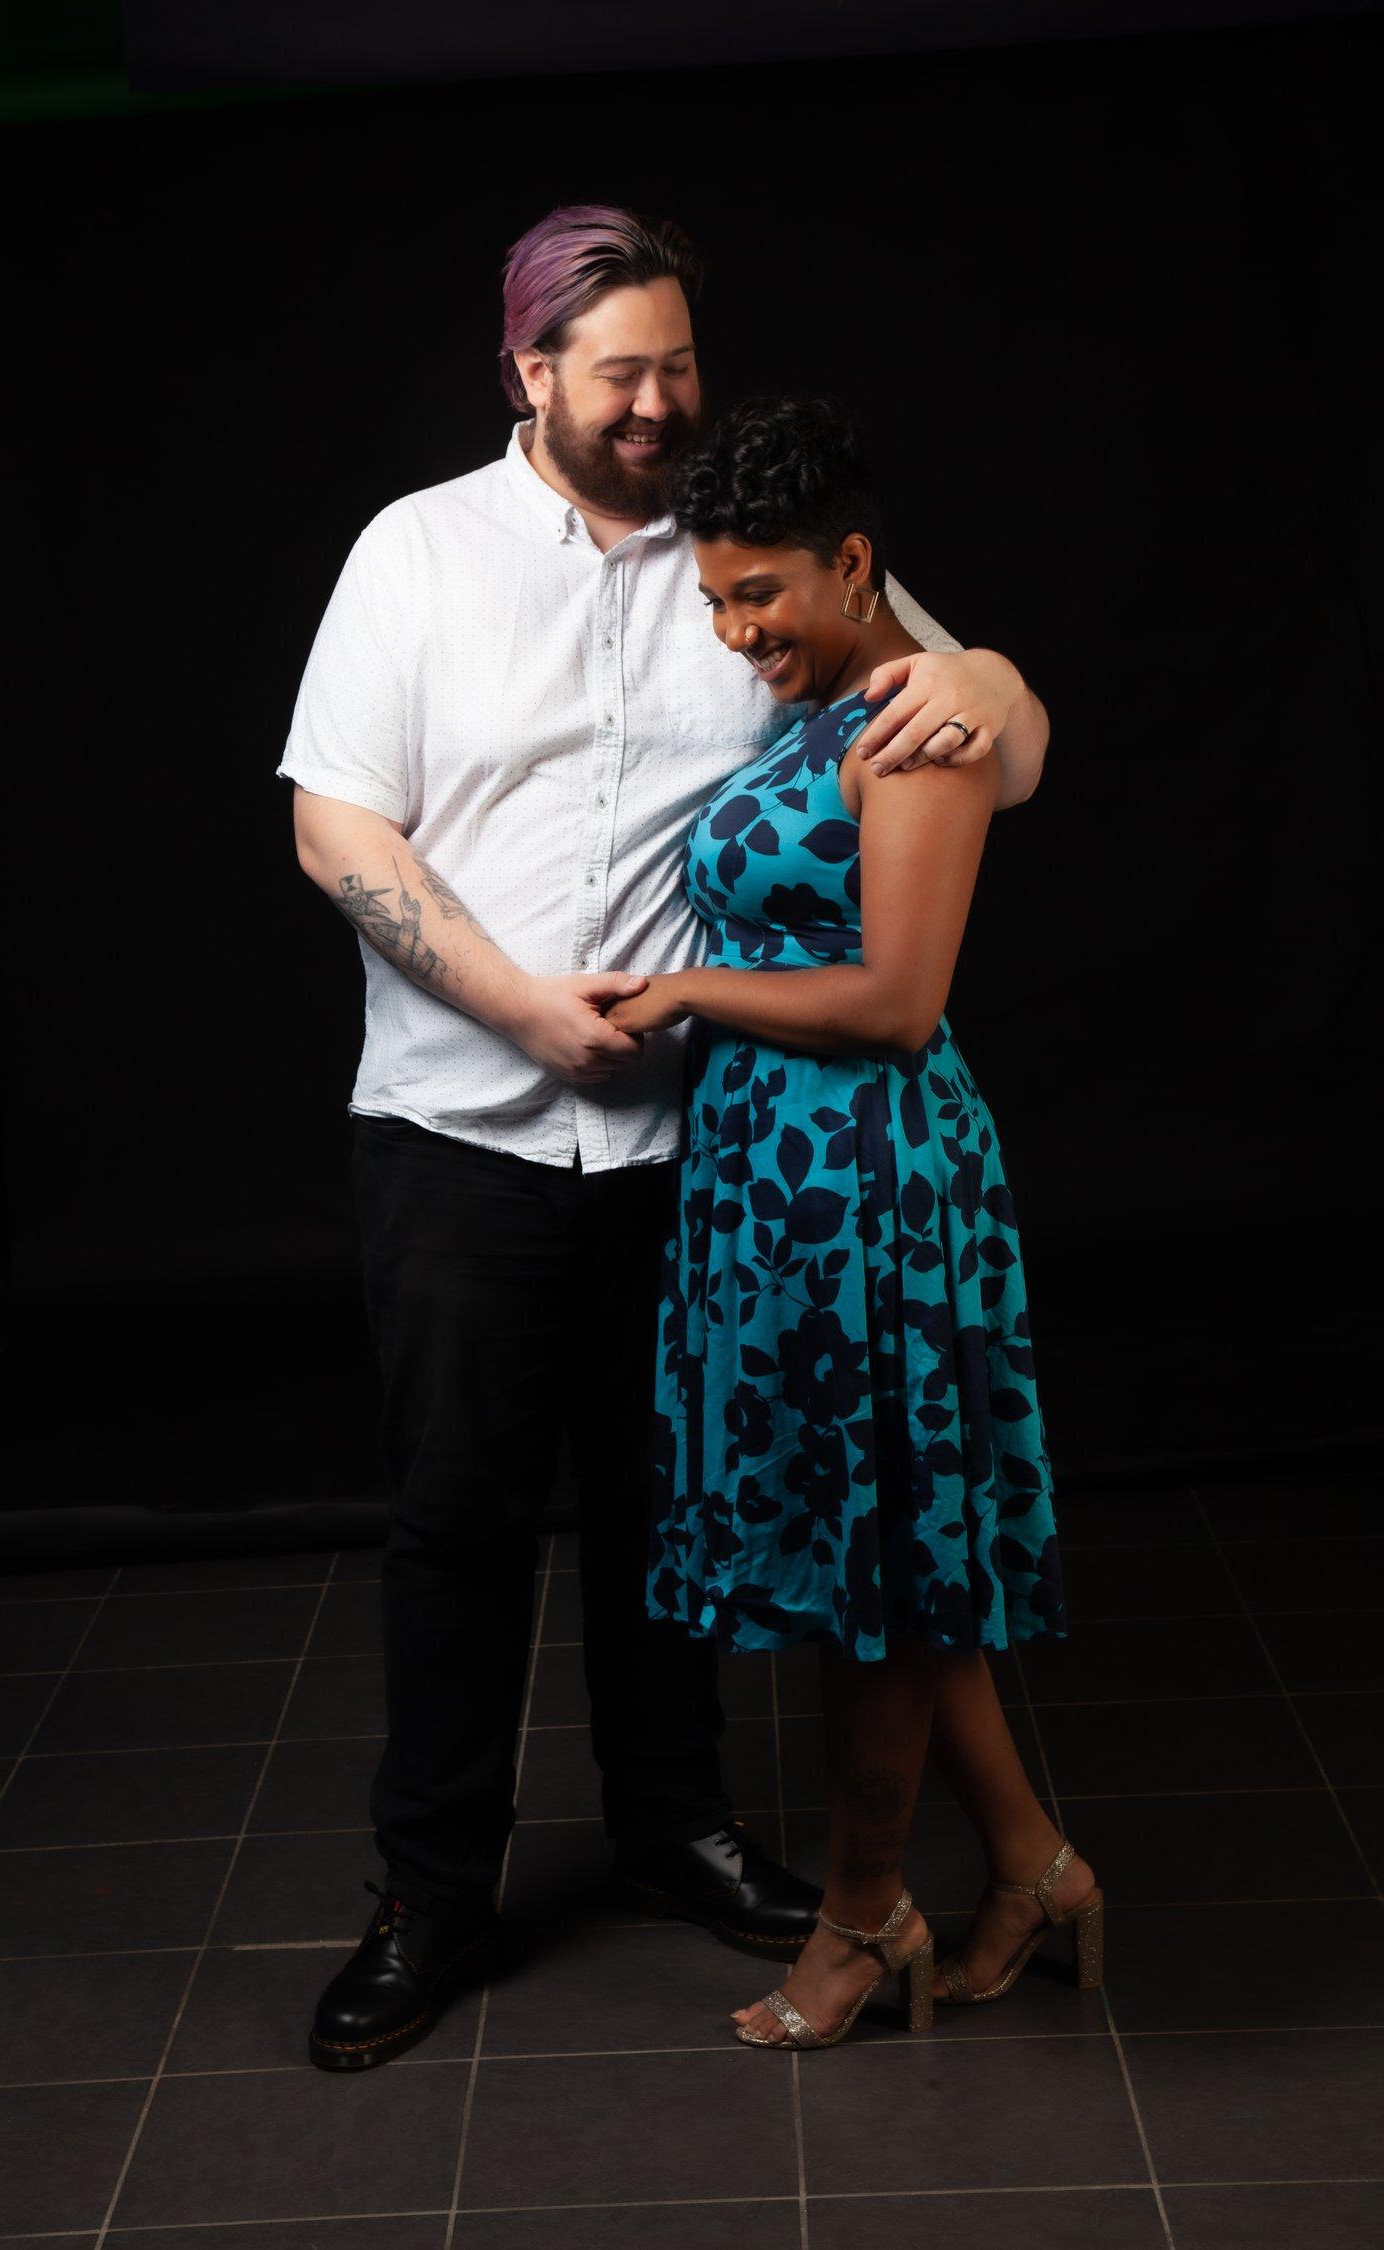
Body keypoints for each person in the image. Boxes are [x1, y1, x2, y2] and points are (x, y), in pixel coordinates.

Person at [278, 205, 1052, 2069]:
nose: (654, 402)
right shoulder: (419, 555)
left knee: (668, 1514)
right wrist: (519, 1004)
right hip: (461, 1124)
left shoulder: (752, 544)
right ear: (528, 371)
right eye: (617, 370)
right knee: (460, 1520)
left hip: (694, 1156)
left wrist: (1012, 683)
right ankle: (432, 1892)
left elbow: (978, 735)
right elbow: (335, 827)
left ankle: (676, 1824)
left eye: (676, 365)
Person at [604, 395, 1100, 2050]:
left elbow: (896, 1001)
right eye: (718, 603)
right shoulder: (823, 702)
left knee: (871, 1577)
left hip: (870, 1186)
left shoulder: (919, 725)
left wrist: (683, 984)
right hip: (776, 1185)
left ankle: (856, 1916)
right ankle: (1036, 1868)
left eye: (764, 597)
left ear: (857, 564)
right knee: (880, 1559)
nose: (742, 631)